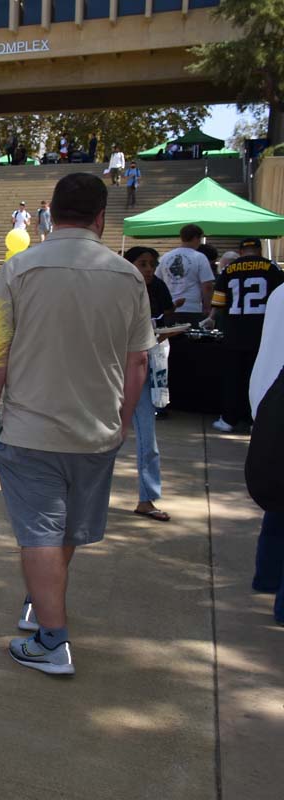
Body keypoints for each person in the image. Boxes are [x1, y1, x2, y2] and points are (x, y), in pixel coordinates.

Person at [0, 173, 154, 675]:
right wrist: (122, 423)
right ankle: (43, 606)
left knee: (39, 531)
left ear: (51, 213)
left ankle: (52, 640)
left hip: (27, 428)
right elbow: (138, 364)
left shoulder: (19, 269)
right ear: (102, 217)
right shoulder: (128, 276)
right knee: (62, 532)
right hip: (96, 429)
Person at [206, 237, 283, 432]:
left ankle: (228, 419)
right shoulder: (271, 268)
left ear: (241, 252)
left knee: (232, 377)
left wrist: (211, 318)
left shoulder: (229, 269)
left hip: (234, 331)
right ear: (259, 251)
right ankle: (255, 419)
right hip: (261, 332)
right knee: (259, 375)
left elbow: (219, 301)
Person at [125, 246, 177, 522]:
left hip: (145, 370)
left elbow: (166, 315)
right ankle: (82, 495)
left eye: (152, 265)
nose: (148, 269)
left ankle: (147, 498)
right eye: (142, 263)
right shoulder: (116, 290)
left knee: (148, 438)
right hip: (113, 372)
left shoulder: (157, 287)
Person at [249, 284, 284, 625]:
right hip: (274, 399)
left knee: (277, 503)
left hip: (267, 404)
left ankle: (268, 575)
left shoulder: (278, 294)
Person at [156, 224, 214, 324]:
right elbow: (207, 285)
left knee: (171, 339)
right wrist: (207, 307)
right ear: (196, 238)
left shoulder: (165, 257)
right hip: (192, 308)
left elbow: (157, 281)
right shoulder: (199, 257)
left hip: (169, 308)